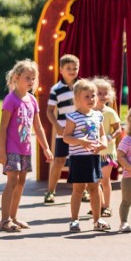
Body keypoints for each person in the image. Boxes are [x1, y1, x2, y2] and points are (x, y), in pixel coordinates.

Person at [0, 61, 52, 232]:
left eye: (33, 78)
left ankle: (13, 216)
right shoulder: (10, 100)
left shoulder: (32, 100)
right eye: (27, 77)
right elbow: (3, 127)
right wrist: (2, 151)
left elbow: (38, 126)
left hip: (25, 148)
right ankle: (4, 220)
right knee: (12, 181)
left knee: (21, 183)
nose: (30, 81)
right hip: (11, 148)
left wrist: (46, 147)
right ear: (16, 77)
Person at [62, 79, 109, 232]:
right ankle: (74, 220)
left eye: (93, 96)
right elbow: (66, 137)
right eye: (86, 96)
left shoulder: (98, 116)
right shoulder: (73, 117)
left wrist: (104, 143)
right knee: (78, 190)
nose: (91, 99)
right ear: (77, 99)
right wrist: (79, 141)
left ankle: (97, 220)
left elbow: (102, 135)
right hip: (78, 159)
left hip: (93, 158)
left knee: (95, 189)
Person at [45, 54, 80, 204]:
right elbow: (49, 111)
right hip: (64, 130)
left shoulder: (83, 86)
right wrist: (57, 126)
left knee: (80, 161)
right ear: (61, 70)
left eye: (75, 68)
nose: (72, 71)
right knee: (59, 161)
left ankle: (82, 190)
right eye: (68, 68)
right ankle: (50, 192)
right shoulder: (56, 89)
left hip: (80, 130)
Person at [93, 77, 121, 218]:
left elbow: (118, 129)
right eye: (99, 93)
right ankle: (98, 205)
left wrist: (110, 137)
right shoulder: (89, 112)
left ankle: (107, 206)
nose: (103, 96)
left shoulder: (110, 112)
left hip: (107, 153)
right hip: (92, 152)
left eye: (105, 93)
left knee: (104, 180)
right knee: (93, 181)